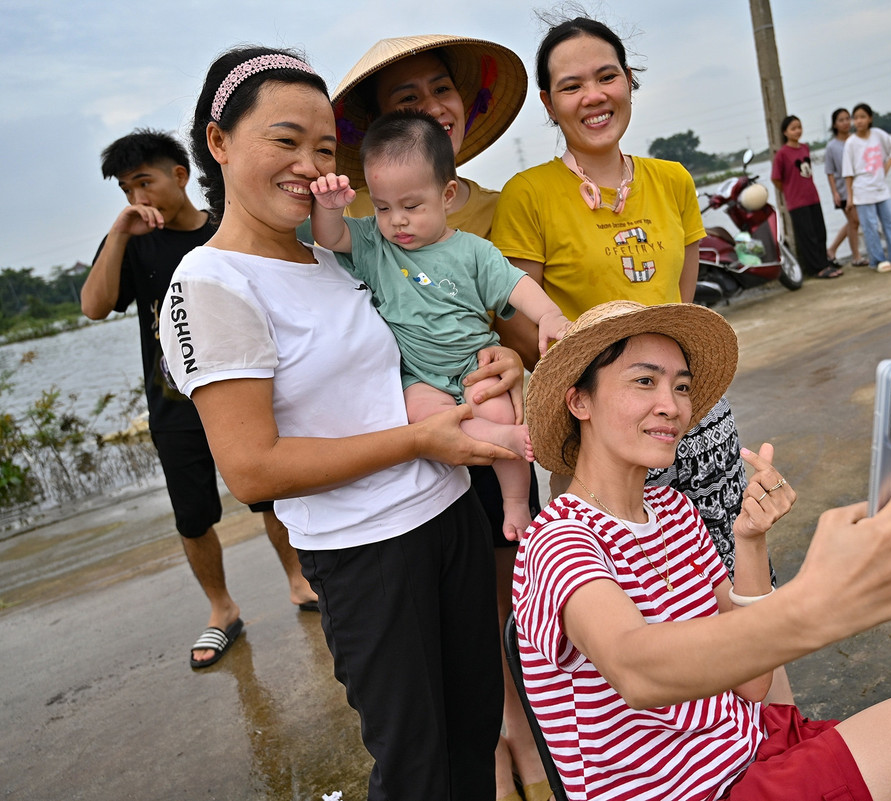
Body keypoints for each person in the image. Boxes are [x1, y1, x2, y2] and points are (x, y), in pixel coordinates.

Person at [512, 299, 891, 801]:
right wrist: (818, 604)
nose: (672, 406)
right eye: (644, 382)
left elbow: (753, 685)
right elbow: (636, 668)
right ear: (578, 402)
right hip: (699, 790)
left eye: (681, 387)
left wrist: (749, 543)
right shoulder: (558, 540)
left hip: (759, 751)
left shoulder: (676, 512)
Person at [161, 45, 520, 800]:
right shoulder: (209, 283)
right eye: (285, 140)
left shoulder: (334, 254)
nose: (308, 163)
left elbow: (425, 336)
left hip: (449, 515)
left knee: (472, 731)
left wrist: (493, 359)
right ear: (219, 142)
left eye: (324, 147)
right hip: (365, 555)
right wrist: (420, 440)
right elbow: (253, 468)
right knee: (416, 768)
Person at [328, 35, 550, 801]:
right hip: (421, 419)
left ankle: (525, 714)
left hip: (488, 394)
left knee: (512, 567)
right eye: (404, 100)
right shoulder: (363, 226)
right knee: (462, 590)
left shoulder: (496, 206)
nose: (431, 106)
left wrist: (517, 359)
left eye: (438, 88)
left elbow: (526, 323)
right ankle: (494, 726)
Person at [492, 16, 758, 601]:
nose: (594, 96)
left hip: (695, 416)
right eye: (571, 85)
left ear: (629, 82)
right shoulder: (527, 196)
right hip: (600, 432)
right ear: (549, 102)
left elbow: (681, 309)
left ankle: (752, 698)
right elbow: (522, 326)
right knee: (636, 606)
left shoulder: (673, 181)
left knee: (732, 580)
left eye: (607, 76)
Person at [81, 129, 318, 671]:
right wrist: (120, 232)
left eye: (143, 182)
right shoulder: (132, 239)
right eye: (124, 189)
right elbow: (94, 307)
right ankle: (221, 609)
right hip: (174, 405)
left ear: (180, 175)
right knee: (192, 516)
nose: (135, 197)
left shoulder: (224, 232)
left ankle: (299, 580)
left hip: (246, 393)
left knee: (271, 494)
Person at [309, 110, 569, 540]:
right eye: (383, 206)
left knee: (498, 403)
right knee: (423, 417)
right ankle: (503, 437)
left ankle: (516, 505)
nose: (397, 220)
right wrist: (330, 208)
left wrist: (548, 315)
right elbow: (330, 238)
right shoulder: (375, 243)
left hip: (474, 363)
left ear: (447, 194)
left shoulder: (474, 252)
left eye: (412, 206)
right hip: (418, 374)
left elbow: (516, 284)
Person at [842, 103, 891, 273]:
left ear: (870, 118)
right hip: (862, 189)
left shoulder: (878, 135)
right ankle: (877, 259)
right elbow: (848, 173)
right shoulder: (851, 143)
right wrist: (850, 197)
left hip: (881, 188)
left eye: (862, 117)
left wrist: (886, 167)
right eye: (856, 117)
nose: (859, 121)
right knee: (870, 226)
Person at [772, 115, 841, 279]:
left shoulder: (805, 148)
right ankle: (816, 268)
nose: (797, 131)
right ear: (785, 132)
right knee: (807, 236)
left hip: (812, 197)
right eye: (793, 128)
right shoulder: (782, 154)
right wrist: (789, 191)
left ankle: (824, 263)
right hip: (797, 202)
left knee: (820, 232)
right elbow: (776, 178)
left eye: (799, 127)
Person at [824, 108, 867, 267]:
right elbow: (829, 172)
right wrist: (834, 192)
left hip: (861, 187)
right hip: (843, 190)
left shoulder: (856, 140)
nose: (845, 123)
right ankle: (856, 256)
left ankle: (833, 250)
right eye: (841, 120)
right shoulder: (831, 146)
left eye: (847, 119)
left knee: (854, 221)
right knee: (854, 221)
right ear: (835, 124)